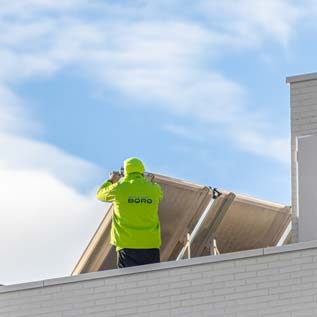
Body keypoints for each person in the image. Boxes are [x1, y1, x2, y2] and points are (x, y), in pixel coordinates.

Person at [96, 157, 163, 268]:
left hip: (126, 243)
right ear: (142, 171)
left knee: (128, 281)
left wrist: (111, 180)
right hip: (151, 243)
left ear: (124, 172)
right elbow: (159, 196)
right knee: (152, 281)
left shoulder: (118, 189)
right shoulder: (154, 189)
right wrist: (145, 183)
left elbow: (100, 195)